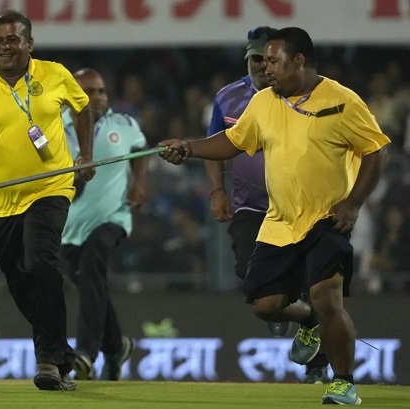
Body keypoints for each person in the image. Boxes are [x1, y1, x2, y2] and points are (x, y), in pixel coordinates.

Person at [158, 27, 390, 405]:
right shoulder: (264, 101)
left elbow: (376, 151)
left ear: (298, 61)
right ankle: (309, 321)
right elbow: (233, 140)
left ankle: (344, 382)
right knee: (265, 305)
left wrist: (353, 203)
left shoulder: (342, 101)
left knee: (327, 297)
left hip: (326, 218)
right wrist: (189, 147)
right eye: (264, 61)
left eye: (273, 61)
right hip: (279, 221)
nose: (266, 68)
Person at [0, 9, 95, 391]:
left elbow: (83, 107)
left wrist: (86, 155)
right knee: (20, 282)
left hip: (50, 187)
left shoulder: (54, 73)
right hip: (2, 201)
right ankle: (62, 353)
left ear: (29, 43)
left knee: (40, 260)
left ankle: (48, 363)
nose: (5, 47)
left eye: (13, 39)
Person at [204, 26, 330, 383]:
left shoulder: (306, 95)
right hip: (251, 207)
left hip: (299, 208)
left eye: (270, 59)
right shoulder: (228, 98)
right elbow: (215, 145)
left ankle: (318, 367)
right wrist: (217, 190)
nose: (263, 65)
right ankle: (291, 309)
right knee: (251, 276)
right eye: (257, 58)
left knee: (315, 287)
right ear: (247, 60)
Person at [59, 68, 148, 381]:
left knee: (93, 267)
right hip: (68, 228)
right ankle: (116, 346)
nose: (97, 97)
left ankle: (86, 352)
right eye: (88, 91)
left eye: (101, 91)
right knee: (91, 286)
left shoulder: (124, 124)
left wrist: (138, 183)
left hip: (112, 218)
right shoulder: (55, 127)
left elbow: (141, 151)